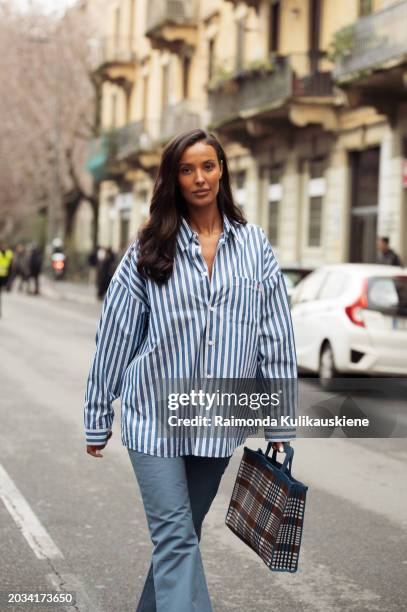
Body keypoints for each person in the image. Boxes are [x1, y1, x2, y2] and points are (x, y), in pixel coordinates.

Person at [83, 129, 297, 612]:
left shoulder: (254, 246)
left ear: (222, 171)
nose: (199, 178)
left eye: (208, 166)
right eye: (186, 169)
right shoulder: (148, 248)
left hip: (219, 418)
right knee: (176, 539)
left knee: (182, 537)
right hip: (154, 416)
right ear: (172, 179)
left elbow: (276, 336)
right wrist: (99, 414)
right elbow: (114, 338)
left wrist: (282, 418)